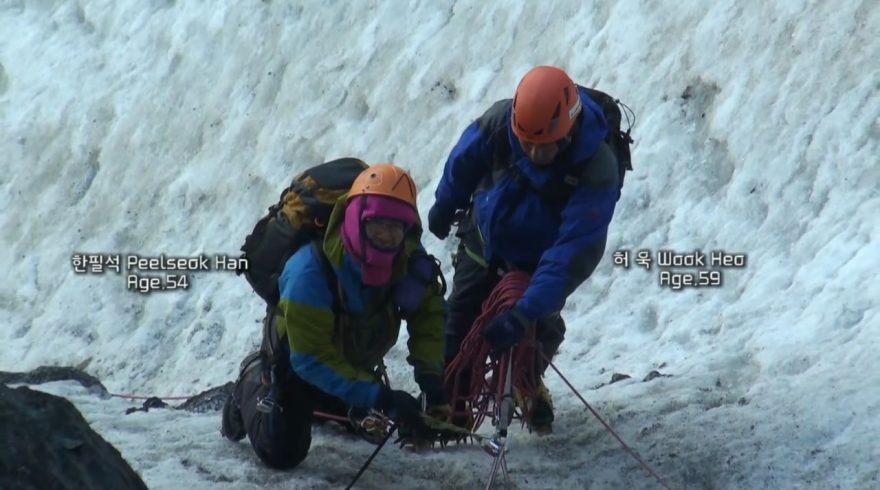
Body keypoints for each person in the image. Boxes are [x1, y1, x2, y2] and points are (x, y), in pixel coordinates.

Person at [427, 66, 621, 433]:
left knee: (538, 333)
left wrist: (525, 311)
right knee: (457, 329)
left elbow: (572, 251)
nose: (533, 153)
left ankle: (526, 379)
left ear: (568, 132)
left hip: (541, 262)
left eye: (544, 146)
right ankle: (451, 406)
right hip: (484, 243)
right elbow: (464, 161)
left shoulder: (596, 169)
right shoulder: (500, 123)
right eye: (526, 142)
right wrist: (445, 203)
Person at [222, 163, 449, 469]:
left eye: (395, 227)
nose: (386, 236)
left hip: (351, 357)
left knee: (363, 420)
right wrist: (382, 398)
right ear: (356, 219)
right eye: (376, 225)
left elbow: (429, 315)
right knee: (282, 453)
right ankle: (250, 381)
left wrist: (431, 378)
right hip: (299, 359)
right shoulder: (308, 271)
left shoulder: (407, 258)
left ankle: (341, 400)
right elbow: (310, 358)